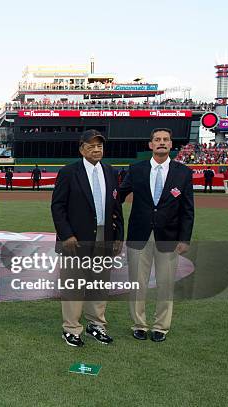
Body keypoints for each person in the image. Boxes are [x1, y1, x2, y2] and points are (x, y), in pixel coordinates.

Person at [118, 128, 194, 342]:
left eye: (166, 140)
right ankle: (139, 324)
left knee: (166, 283)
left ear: (171, 145)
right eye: (157, 140)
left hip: (168, 236)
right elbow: (119, 196)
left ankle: (161, 326)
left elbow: (188, 210)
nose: (162, 142)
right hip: (139, 235)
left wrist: (184, 238)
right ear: (150, 145)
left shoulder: (183, 173)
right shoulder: (136, 169)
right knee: (137, 283)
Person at [51, 129, 123, 347]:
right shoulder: (69, 172)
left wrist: (118, 235)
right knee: (73, 284)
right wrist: (66, 235)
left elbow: (116, 207)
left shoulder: (110, 171)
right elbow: (57, 206)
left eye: (99, 145)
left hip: (104, 235)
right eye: (91, 145)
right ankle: (71, 328)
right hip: (76, 239)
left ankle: (96, 324)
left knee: (99, 283)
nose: (96, 149)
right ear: (81, 149)